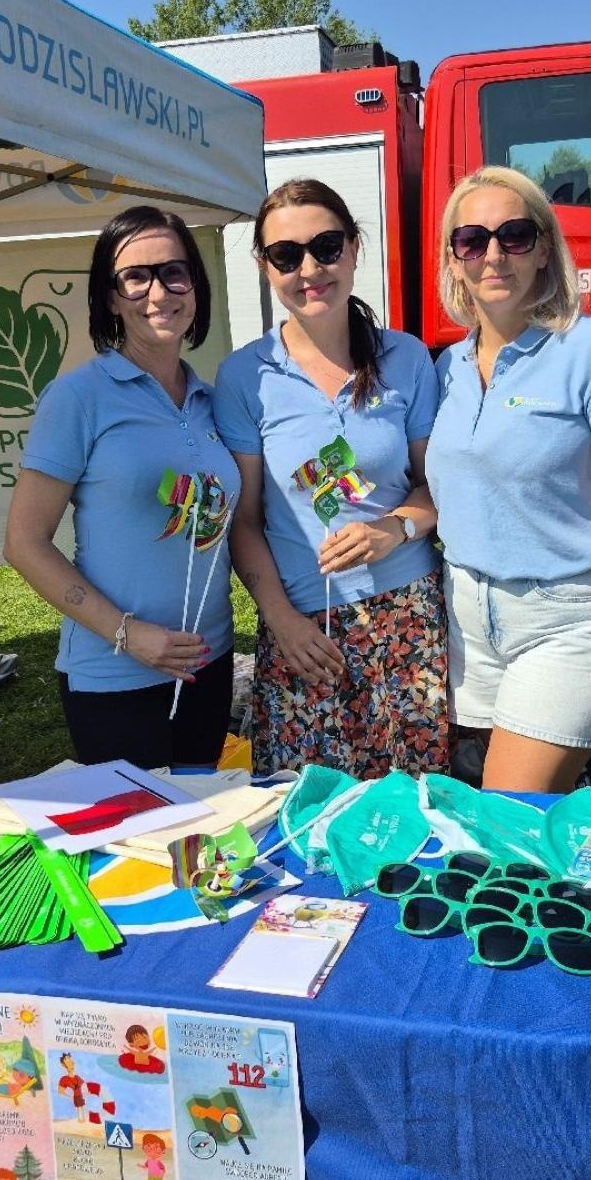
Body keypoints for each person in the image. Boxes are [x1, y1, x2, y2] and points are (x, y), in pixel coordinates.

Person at [426, 165, 591, 793]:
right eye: (472, 240)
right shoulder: (444, 367)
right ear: (453, 259)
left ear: (544, 250)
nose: (494, 254)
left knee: (502, 818)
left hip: (566, 618)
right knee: (505, 819)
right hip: (468, 618)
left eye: (515, 234)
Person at [214, 178, 447, 777]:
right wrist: (280, 619)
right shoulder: (246, 376)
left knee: (408, 816)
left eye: (325, 245)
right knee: (309, 815)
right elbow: (244, 522)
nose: (309, 268)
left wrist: (393, 529)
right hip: (303, 631)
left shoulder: (406, 359)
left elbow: (435, 489)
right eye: (286, 255)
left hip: (405, 620)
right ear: (266, 268)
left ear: (354, 247)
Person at [5, 206, 240, 770]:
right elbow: (23, 543)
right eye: (136, 277)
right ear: (111, 297)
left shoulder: (212, 399)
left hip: (209, 662)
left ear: (195, 286)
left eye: (173, 273)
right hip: (116, 674)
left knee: (196, 840)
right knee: (137, 846)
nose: (158, 292)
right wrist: (127, 635)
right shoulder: (79, 397)